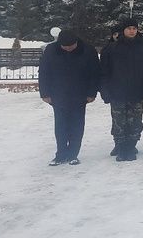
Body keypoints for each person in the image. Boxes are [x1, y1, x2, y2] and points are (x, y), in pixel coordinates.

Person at [38, 29, 100, 166]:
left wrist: (91, 93)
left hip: (80, 94)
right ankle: (60, 154)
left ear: (76, 42)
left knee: (77, 125)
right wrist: (45, 93)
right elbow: (43, 71)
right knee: (60, 125)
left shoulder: (88, 50)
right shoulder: (50, 50)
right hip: (57, 95)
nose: (68, 49)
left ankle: (73, 154)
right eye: (64, 47)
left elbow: (95, 73)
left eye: (71, 46)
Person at [99, 17, 143, 162]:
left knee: (135, 122)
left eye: (134, 28)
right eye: (129, 28)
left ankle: (131, 147)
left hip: (137, 91)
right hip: (117, 92)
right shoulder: (111, 48)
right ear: (123, 30)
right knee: (119, 122)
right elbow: (104, 72)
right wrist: (104, 90)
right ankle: (121, 147)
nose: (132, 31)